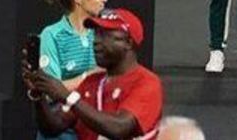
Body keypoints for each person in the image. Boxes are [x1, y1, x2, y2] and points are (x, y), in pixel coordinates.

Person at [24, 8, 163, 140]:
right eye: (95, 34)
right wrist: (38, 95)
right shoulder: (91, 82)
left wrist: (67, 97)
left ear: (128, 42)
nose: (95, 41)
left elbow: (119, 128)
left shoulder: (146, 82)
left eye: (104, 35)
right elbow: (52, 127)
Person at [37, 0, 107, 140]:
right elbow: (51, 90)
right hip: (63, 130)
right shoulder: (51, 35)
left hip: (97, 127)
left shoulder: (105, 33)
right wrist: (89, 76)